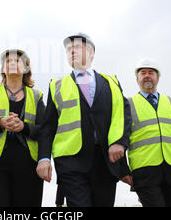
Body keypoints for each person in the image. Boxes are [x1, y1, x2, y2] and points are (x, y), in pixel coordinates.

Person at [36, 33, 132, 207]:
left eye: (77, 47)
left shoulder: (111, 82)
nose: (72, 51)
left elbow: (124, 116)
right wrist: (44, 158)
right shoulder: (56, 86)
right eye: (68, 49)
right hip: (71, 161)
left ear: (91, 51)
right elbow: (48, 127)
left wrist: (120, 143)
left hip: (105, 161)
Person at [0, 49, 45, 207]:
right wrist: (0, 123)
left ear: (26, 68)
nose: (12, 63)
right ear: (2, 68)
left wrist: (24, 127)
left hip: (27, 166)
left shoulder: (37, 96)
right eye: (8, 61)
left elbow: (44, 130)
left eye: (17, 61)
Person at [126, 59, 171, 207]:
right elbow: (120, 138)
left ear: (158, 78)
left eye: (151, 72)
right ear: (137, 79)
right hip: (144, 172)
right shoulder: (127, 104)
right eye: (142, 73)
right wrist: (123, 171)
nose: (147, 76)